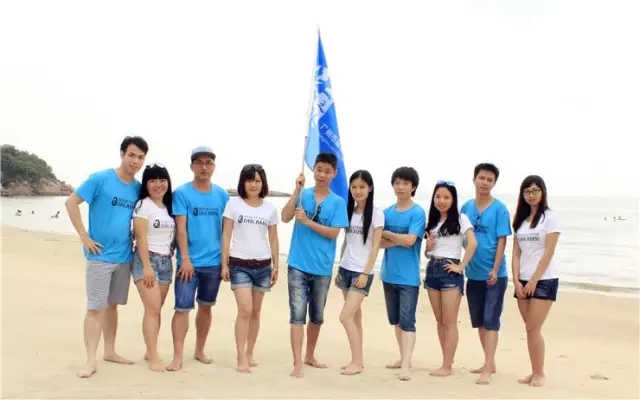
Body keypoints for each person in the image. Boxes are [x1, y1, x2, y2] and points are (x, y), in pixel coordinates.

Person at [64, 135, 149, 378]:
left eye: (140, 157)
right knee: (95, 308)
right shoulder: (101, 179)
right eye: (131, 155)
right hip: (100, 256)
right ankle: (91, 360)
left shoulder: (137, 189)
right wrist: (84, 236)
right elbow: (71, 202)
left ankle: (110, 351)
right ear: (122, 154)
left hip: (124, 257)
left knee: (112, 306)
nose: (135, 161)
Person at [280, 152, 349, 378]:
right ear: (313, 170)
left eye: (327, 171)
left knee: (317, 316)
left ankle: (310, 355)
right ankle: (297, 362)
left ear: (334, 173)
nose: (322, 175)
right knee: (297, 314)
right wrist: (296, 190)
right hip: (298, 264)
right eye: (319, 170)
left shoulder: (338, 202)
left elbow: (333, 233)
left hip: (322, 268)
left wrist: (307, 222)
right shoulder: (303, 195)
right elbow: (285, 217)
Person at [166, 146, 229, 372]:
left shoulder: (222, 195)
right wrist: (185, 259)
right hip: (189, 264)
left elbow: (226, 231)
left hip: (214, 263)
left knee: (206, 307)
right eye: (199, 163)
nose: (204, 167)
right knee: (182, 308)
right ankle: (177, 356)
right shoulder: (182, 193)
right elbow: (181, 229)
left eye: (208, 162)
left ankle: (199, 350)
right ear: (191, 166)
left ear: (214, 166)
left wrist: (225, 262)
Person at [221, 164, 280, 373]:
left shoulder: (269, 209)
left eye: (257, 180)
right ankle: (240, 358)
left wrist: (276, 266)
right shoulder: (233, 205)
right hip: (239, 264)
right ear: (242, 182)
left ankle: (249, 353)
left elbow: (273, 238)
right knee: (245, 309)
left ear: (263, 183)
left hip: (263, 265)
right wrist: (224, 264)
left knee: (255, 312)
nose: (253, 184)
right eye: (249, 180)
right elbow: (226, 235)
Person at [460, 162, 512, 385]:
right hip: (473, 274)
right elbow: (460, 237)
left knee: (491, 321)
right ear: (474, 179)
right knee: (480, 322)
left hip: (494, 275)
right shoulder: (466, 208)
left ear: (494, 183)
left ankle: (488, 368)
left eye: (490, 180)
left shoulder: (500, 209)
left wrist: (495, 268)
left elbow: (502, 241)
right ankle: (489, 361)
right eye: (482, 178)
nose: (485, 182)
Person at [423, 180, 477, 377]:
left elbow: (473, 244)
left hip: (449, 270)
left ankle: (447, 366)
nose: (441, 201)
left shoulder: (461, 219)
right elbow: (428, 253)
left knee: (450, 321)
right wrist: (428, 249)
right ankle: (446, 360)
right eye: (438, 197)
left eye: (446, 197)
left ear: (453, 199)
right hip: (432, 269)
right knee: (440, 321)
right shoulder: (433, 221)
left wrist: (460, 267)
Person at [511, 175, 561, 387]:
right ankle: (534, 371)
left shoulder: (550, 217)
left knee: (533, 328)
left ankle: (540, 373)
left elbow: (548, 252)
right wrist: (516, 280)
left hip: (544, 280)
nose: (531, 195)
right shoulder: (521, 220)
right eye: (527, 191)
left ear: (542, 192)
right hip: (522, 280)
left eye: (535, 190)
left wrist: (533, 280)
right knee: (530, 330)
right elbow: (516, 253)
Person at [379, 166, 426, 381]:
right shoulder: (386, 212)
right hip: (388, 274)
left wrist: (389, 235)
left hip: (408, 277)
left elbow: (410, 241)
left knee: (407, 321)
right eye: (397, 183)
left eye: (405, 183)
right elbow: (377, 242)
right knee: (396, 320)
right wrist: (396, 239)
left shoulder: (417, 213)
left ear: (413, 187)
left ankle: (406, 363)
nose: (401, 187)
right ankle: (402, 357)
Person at [335, 170, 384, 376]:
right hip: (346, 268)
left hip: (361, 273)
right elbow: (346, 242)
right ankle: (358, 360)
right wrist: (339, 267)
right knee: (355, 318)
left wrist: (366, 272)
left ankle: (356, 362)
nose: (358, 190)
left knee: (345, 317)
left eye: (362, 187)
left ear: (369, 188)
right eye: (354, 187)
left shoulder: (376, 213)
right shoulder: (349, 211)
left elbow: (376, 245)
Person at [131, 163, 176, 372]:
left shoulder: (168, 207)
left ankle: (151, 351)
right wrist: (147, 267)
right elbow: (140, 237)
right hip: (146, 260)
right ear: (146, 184)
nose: (158, 184)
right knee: (152, 309)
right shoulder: (144, 205)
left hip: (166, 262)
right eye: (153, 180)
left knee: (157, 310)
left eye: (162, 180)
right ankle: (153, 356)